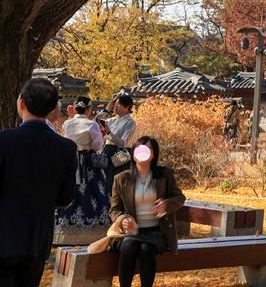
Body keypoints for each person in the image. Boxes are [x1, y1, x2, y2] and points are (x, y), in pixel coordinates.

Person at [0, 78, 78, 287]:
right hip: (38, 237)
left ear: (21, 103)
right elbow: (65, 196)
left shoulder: (4, 141)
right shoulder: (66, 148)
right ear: (53, 109)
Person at [109, 137, 185, 287]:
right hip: (131, 232)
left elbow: (180, 198)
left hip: (156, 231)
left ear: (154, 154)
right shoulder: (121, 179)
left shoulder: (165, 175)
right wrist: (123, 219)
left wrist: (166, 204)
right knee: (128, 247)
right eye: (140, 148)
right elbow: (114, 210)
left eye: (148, 149)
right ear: (133, 153)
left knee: (146, 249)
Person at [55, 98, 111, 244]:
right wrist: (103, 135)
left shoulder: (67, 123)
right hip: (86, 160)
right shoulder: (91, 124)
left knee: (70, 190)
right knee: (94, 191)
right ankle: (94, 230)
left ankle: (65, 229)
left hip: (71, 161)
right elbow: (97, 146)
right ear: (88, 109)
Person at [99, 94, 137, 194]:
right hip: (106, 152)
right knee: (103, 183)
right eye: (115, 104)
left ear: (127, 107)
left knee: (116, 184)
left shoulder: (130, 122)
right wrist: (107, 109)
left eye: (118, 104)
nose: (115, 106)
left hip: (120, 155)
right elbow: (95, 123)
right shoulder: (111, 120)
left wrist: (109, 133)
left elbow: (122, 144)